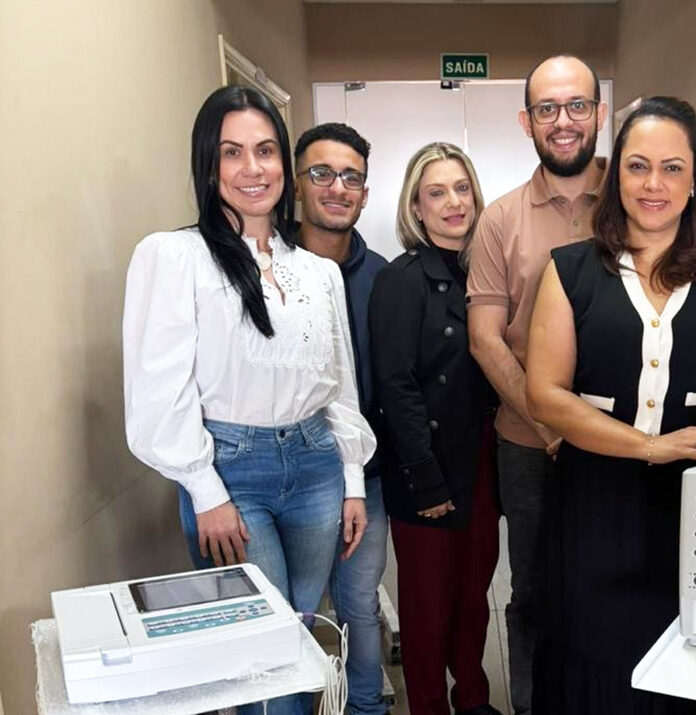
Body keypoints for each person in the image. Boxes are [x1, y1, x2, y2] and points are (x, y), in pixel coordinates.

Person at [525, 96, 696, 714]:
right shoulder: (571, 271)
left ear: (695, 179)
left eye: (672, 168)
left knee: (690, 656)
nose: (654, 184)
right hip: (595, 501)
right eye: (638, 166)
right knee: (595, 657)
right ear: (615, 176)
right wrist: (648, 446)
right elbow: (544, 395)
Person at [123, 86, 376, 715]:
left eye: (265, 150)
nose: (252, 168)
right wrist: (203, 491)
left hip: (316, 465)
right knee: (261, 654)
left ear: (284, 164)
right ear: (209, 166)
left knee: (300, 632)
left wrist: (351, 480)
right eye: (231, 152)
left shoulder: (318, 272)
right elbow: (160, 391)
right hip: (229, 471)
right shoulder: (174, 256)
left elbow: (340, 383)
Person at [466, 53, 607, 715]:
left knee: (615, 584)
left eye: (577, 105)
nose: (563, 120)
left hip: (624, 440)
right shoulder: (500, 219)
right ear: (527, 122)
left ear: (599, 114)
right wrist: (550, 422)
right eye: (547, 108)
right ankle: (533, 705)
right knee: (534, 591)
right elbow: (485, 338)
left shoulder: (637, 202)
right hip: (528, 445)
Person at [370, 143, 501, 715]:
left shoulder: (487, 273)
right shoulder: (400, 280)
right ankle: (428, 706)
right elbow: (395, 386)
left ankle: (472, 698)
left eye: (462, 188)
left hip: (481, 460)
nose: (454, 202)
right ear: (416, 208)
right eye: (437, 192)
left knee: (474, 598)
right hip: (425, 466)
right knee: (428, 608)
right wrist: (424, 477)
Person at [294, 122, 390, 715]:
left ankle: (366, 706)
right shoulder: (262, 267)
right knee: (293, 611)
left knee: (359, 605)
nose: (337, 187)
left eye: (351, 177)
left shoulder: (383, 277)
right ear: (297, 184)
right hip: (287, 479)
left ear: (365, 192)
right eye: (322, 173)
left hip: (366, 480)